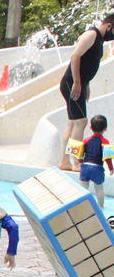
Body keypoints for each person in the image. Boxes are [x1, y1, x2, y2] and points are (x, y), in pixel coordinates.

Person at [60, 14, 114, 171]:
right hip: (72, 82)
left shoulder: (99, 39)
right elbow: (75, 56)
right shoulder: (92, 34)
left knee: (73, 122)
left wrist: (86, 83)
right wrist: (77, 82)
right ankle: (76, 162)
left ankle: (65, 162)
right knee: (81, 122)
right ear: (109, 26)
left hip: (78, 83)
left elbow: (88, 62)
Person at [79, 115, 112, 208]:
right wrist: (111, 168)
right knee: (99, 188)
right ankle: (101, 205)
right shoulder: (105, 142)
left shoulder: (86, 140)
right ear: (105, 128)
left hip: (85, 166)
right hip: (97, 168)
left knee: (83, 187)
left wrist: (80, 162)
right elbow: (108, 158)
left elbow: (80, 154)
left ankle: (82, 205)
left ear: (90, 127)